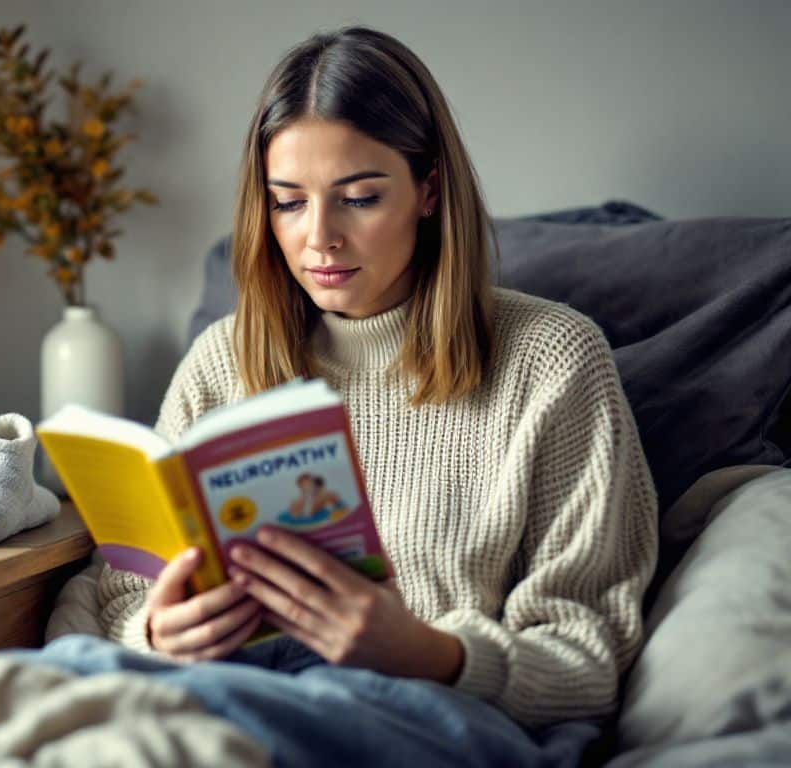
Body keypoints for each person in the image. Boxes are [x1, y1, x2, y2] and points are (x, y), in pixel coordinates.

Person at [45, 24, 658, 744]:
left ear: (429, 191)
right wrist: (160, 631)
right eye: (288, 202)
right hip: (225, 702)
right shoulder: (224, 360)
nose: (319, 238)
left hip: (430, 722)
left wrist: (431, 654)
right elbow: (118, 594)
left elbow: (590, 656)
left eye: (359, 198)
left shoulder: (553, 360)